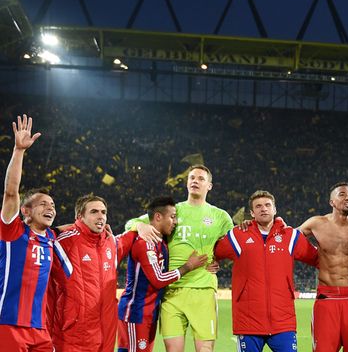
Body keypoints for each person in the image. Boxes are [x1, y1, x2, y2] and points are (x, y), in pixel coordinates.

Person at [128, 164, 233, 352]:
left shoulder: (220, 216)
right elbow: (130, 223)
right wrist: (140, 226)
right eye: (192, 177)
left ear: (209, 186)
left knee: (205, 349)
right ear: (187, 183)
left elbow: (232, 245)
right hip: (171, 291)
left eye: (201, 178)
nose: (195, 181)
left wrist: (219, 260)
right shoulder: (173, 211)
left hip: (203, 289)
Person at [214, 190, 318, 352]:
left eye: (268, 205)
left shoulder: (290, 236)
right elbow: (213, 252)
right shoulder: (238, 235)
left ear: (275, 209)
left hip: (282, 322)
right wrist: (211, 262)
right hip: (248, 323)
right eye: (258, 206)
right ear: (252, 213)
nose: (263, 209)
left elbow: (318, 259)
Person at [0, 114, 71, 352]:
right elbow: (11, 193)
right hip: (8, 323)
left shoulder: (50, 238)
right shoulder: (13, 231)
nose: (50, 208)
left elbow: (72, 228)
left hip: (39, 328)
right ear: (26, 212)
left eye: (52, 205)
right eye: (43, 204)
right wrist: (19, 150)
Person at [117, 196, 208, 352]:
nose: (175, 221)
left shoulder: (162, 241)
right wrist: (189, 266)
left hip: (149, 312)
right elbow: (158, 280)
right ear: (158, 217)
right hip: (135, 312)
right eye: (172, 217)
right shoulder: (144, 243)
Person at [48, 194, 136, 352]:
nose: (101, 216)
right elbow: (33, 237)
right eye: (94, 212)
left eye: (103, 212)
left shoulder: (111, 242)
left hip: (106, 335)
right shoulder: (63, 243)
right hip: (73, 337)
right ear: (79, 216)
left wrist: (140, 225)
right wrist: (53, 230)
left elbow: (131, 234)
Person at [298, 182, 348, 352]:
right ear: (331, 202)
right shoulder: (316, 223)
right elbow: (288, 240)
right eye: (342, 194)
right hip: (327, 298)